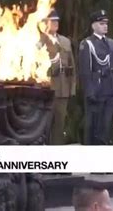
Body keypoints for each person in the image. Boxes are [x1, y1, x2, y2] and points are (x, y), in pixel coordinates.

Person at [79, 10, 113, 145]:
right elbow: (85, 71)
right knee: (94, 129)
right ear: (93, 26)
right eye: (101, 23)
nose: (105, 26)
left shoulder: (112, 44)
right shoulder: (87, 44)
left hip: (110, 91)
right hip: (96, 93)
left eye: (106, 23)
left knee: (106, 128)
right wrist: (89, 92)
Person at [40, 9, 76, 145]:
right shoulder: (40, 41)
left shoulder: (65, 41)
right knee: (45, 124)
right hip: (47, 88)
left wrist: (72, 87)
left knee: (59, 124)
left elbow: (72, 66)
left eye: (57, 21)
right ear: (45, 23)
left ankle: (57, 151)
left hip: (63, 88)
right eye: (52, 21)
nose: (55, 23)